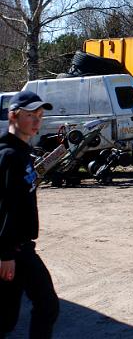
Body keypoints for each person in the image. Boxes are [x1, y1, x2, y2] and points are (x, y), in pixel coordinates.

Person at [0, 91, 59, 338]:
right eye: (30, 115)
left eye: (40, 115)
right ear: (13, 116)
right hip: (13, 251)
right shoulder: (9, 156)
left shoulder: (23, 152)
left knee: (7, 318)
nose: (37, 121)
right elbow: (3, 207)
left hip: (21, 248)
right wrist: (5, 254)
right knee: (45, 306)